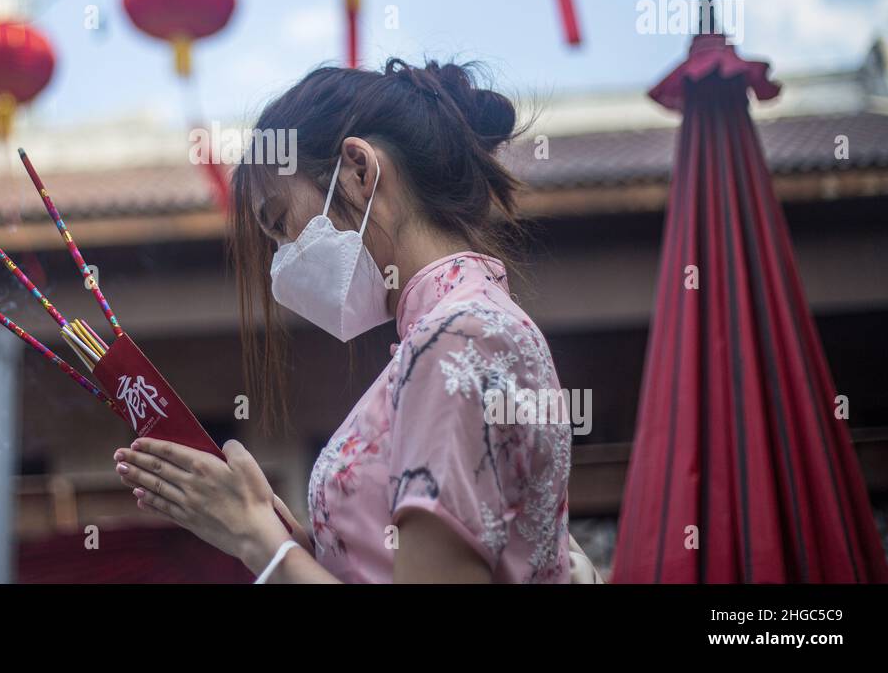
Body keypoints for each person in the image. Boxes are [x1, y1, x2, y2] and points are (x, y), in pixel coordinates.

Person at [114, 58, 592, 583]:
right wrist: (299, 542)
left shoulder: (455, 340)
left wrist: (259, 541)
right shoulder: (465, 329)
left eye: (281, 224)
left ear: (360, 170)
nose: (282, 263)